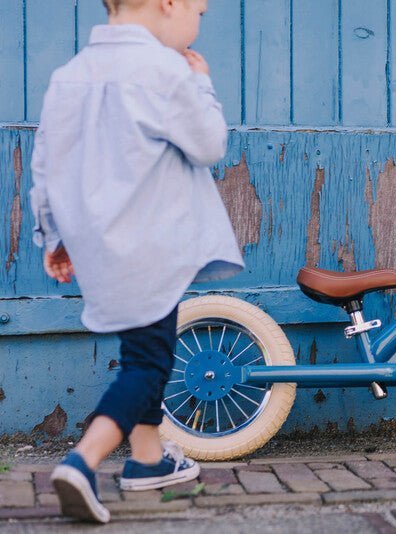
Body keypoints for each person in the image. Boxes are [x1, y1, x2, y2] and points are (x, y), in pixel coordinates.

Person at [29, 0, 243, 523]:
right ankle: (83, 460)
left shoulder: (69, 75)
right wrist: (201, 83)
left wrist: (52, 235)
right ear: (169, 4)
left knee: (143, 346)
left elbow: (46, 162)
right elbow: (209, 144)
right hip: (153, 243)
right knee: (149, 363)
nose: (198, 21)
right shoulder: (164, 69)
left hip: (98, 246)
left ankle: (148, 462)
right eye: (200, 10)